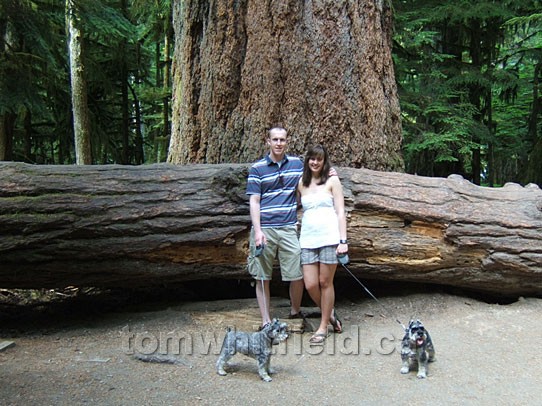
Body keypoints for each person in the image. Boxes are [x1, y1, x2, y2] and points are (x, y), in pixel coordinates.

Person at [246, 127, 305, 328]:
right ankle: (266, 320)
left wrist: (330, 171)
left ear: (287, 142)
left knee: (297, 272)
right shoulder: (257, 168)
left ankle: (295, 311)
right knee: (262, 276)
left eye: (282, 140)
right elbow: (254, 201)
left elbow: (314, 177)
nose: (279, 143)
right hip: (265, 229)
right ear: (268, 142)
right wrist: (258, 231)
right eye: (275, 139)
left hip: (289, 227)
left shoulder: (297, 164)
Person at [297, 144, 347, 344]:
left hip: (329, 238)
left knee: (325, 282)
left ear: (325, 162)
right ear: (307, 160)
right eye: (312, 159)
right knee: (310, 284)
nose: (315, 162)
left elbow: (341, 212)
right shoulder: (302, 183)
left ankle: (323, 325)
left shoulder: (332, 181)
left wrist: (343, 241)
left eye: (319, 159)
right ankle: (330, 313)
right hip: (308, 239)